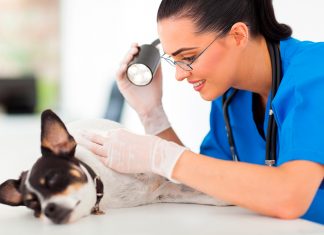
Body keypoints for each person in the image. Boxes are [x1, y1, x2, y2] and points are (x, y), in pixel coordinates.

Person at [80, 0, 324, 224]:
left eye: (189, 57)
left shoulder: (315, 72)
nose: (179, 74)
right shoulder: (230, 96)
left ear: (238, 35)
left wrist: (160, 156)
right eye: (173, 60)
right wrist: (152, 114)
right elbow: (206, 183)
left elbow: (290, 196)